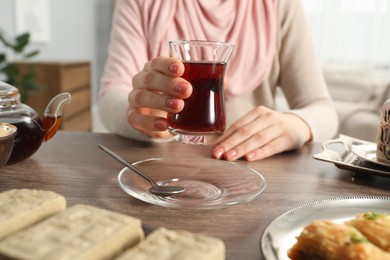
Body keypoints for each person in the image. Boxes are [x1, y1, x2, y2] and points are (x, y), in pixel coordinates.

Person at [98, 0, 339, 162]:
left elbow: (323, 109)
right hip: (161, 170)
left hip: (252, 170)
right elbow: (111, 94)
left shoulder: (279, 5)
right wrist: (140, 115)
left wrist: (295, 125)